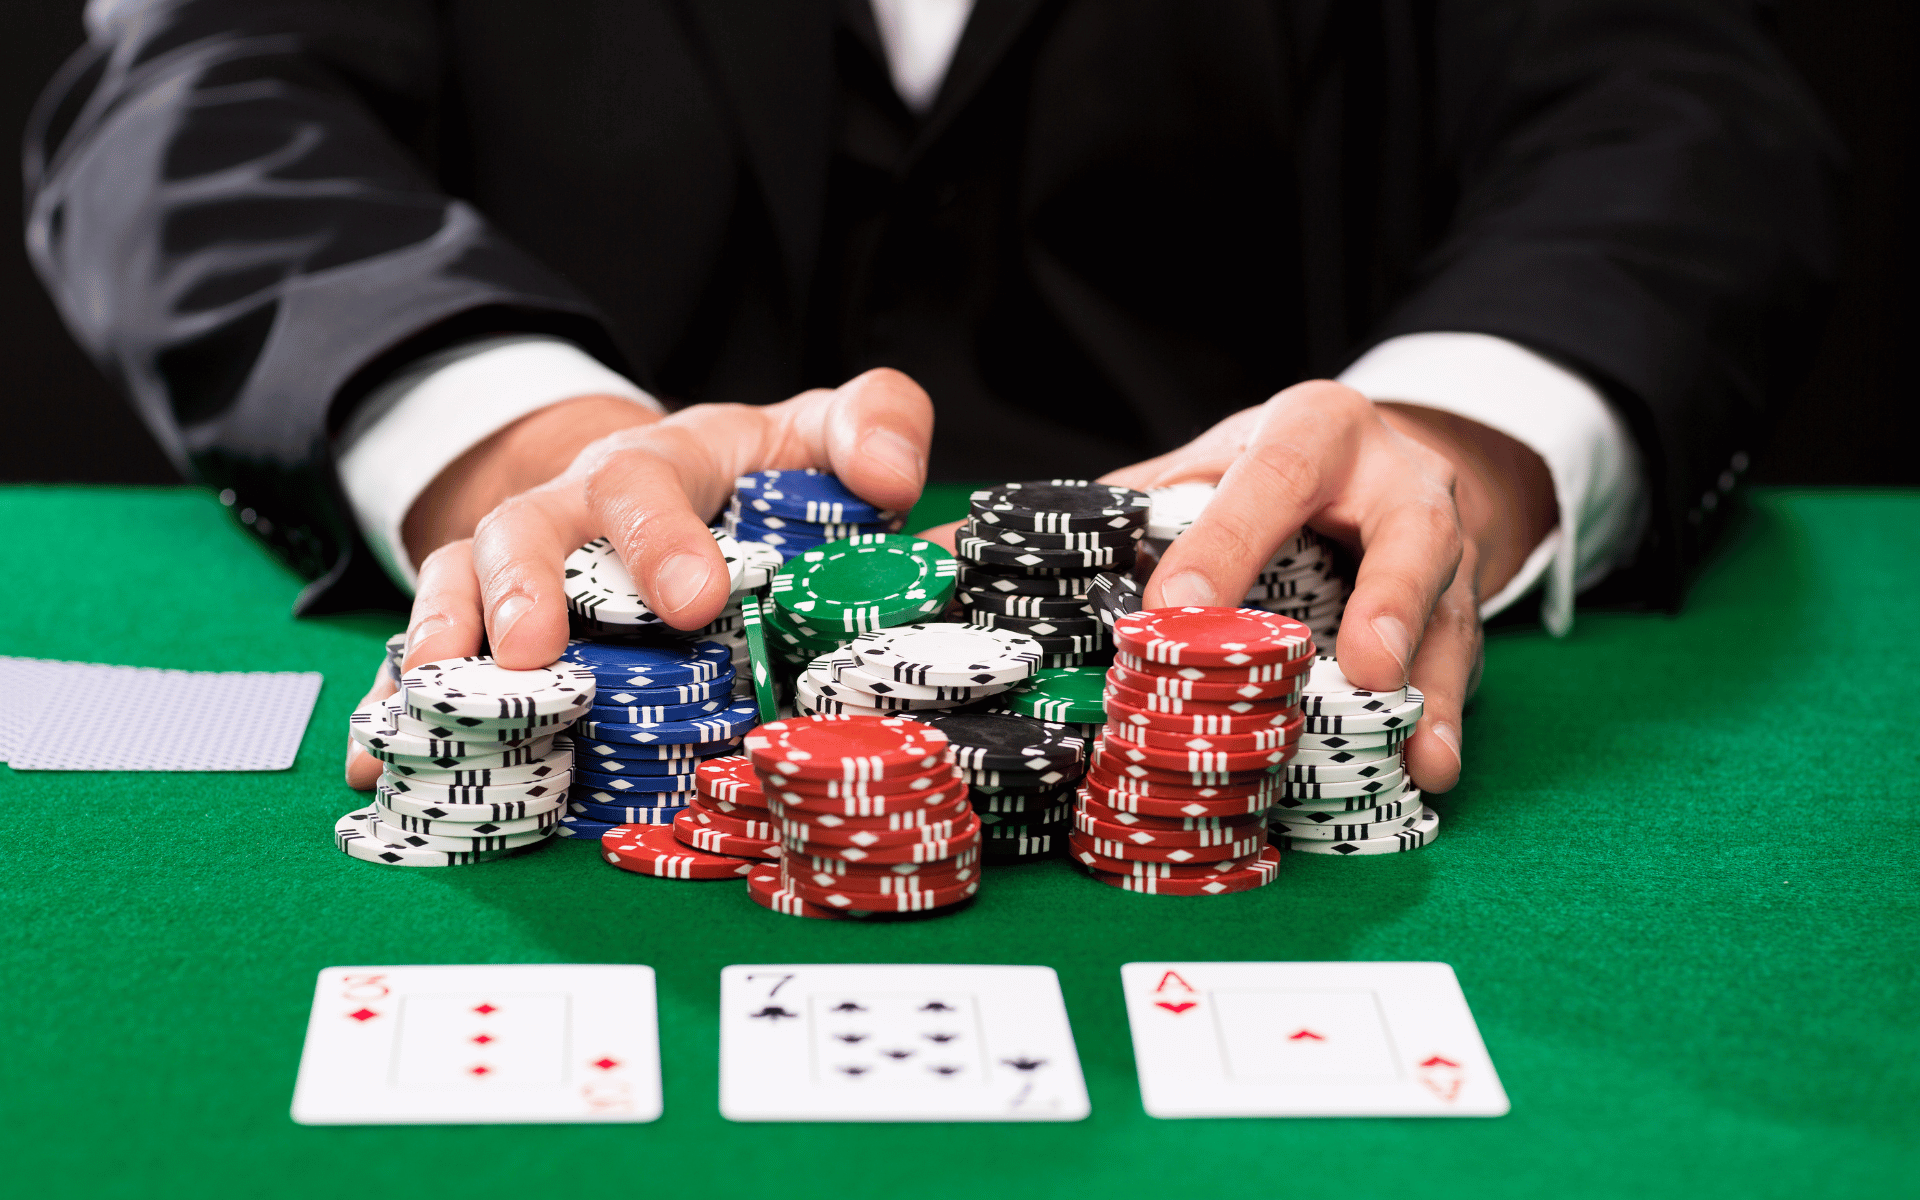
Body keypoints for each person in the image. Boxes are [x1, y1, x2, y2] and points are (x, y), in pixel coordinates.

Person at [25, 0, 1840, 796]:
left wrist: (1450, 444)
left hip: (1234, 660)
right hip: (629, 608)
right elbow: (184, 113)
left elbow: (1684, 117)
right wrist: (536, 448)